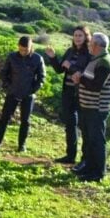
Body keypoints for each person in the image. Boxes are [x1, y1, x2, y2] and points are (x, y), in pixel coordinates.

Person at [71, 32, 110, 182]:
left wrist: (79, 79)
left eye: (91, 44)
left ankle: (98, 172)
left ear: (96, 46)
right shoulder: (96, 59)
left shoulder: (104, 62)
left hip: (97, 108)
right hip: (89, 107)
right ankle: (89, 168)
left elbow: (96, 86)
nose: (89, 46)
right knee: (89, 139)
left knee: (96, 140)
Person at [44, 26, 91, 164]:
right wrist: (53, 57)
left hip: (82, 93)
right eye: (75, 35)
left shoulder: (89, 53)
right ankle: (70, 156)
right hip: (68, 92)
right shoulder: (70, 51)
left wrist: (71, 67)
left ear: (86, 37)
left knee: (83, 126)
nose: (77, 38)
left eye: (80, 35)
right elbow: (60, 70)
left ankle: (85, 159)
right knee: (70, 125)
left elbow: (87, 73)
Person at [0, 35, 46, 153]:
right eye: (21, 49)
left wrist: (33, 90)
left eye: (26, 50)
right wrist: (7, 87)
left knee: (25, 121)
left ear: (31, 47)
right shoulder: (12, 57)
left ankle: (22, 145)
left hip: (28, 94)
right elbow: (3, 73)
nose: (23, 52)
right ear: (18, 47)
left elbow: (41, 78)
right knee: (4, 119)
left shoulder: (38, 58)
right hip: (12, 92)